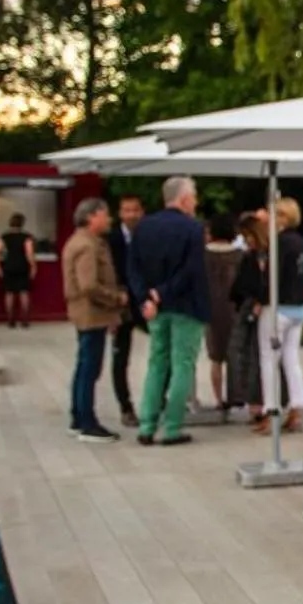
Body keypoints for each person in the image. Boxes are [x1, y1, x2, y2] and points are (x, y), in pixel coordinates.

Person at [129, 176, 210, 446]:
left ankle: (147, 424)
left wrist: (146, 298)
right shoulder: (193, 229)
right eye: (194, 196)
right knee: (182, 365)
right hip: (186, 306)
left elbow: (133, 268)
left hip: (155, 309)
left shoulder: (143, 227)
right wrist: (163, 292)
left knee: (156, 363)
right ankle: (172, 427)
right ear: (184, 198)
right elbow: (192, 270)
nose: (196, 201)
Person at [62, 197, 125, 442]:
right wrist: (116, 298)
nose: (109, 219)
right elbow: (89, 285)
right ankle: (87, 422)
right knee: (90, 368)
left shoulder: (82, 241)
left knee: (84, 366)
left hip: (86, 313)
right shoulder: (87, 245)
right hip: (92, 314)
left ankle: (78, 417)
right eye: (105, 214)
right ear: (91, 217)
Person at [259, 197, 303, 434]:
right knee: (292, 359)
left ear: (281, 217)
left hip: (278, 307)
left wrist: (262, 296)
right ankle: (298, 406)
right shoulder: (301, 242)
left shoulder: (278, 243)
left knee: (269, 360)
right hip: (299, 308)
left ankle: (271, 410)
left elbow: (275, 277)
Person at [107, 194, 145, 427]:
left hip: (144, 301)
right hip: (120, 304)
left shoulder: (149, 236)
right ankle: (125, 406)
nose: (131, 215)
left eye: (135, 210)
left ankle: (159, 400)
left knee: (162, 350)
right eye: (126, 210)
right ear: (120, 213)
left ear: (142, 212)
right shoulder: (110, 239)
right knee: (120, 357)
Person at [228, 213, 270, 423]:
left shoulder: (264, 257)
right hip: (248, 307)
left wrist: (259, 301)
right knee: (245, 354)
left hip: (257, 308)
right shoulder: (251, 256)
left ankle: (259, 402)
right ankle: (252, 400)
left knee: (255, 355)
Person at [202, 212, 243, 414]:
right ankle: (236, 396)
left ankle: (218, 399)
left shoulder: (202, 255)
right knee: (235, 354)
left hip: (211, 309)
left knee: (215, 358)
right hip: (234, 309)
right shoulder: (239, 256)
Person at [0, 213, 36, 328]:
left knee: (9, 293)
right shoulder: (26, 237)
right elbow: (29, 253)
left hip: (8, 266)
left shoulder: (4, 237)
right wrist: (33, 267)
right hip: (22, 266)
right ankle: (25, 319)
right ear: (22, 224)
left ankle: (10, 319)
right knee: (24, 292)